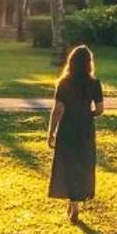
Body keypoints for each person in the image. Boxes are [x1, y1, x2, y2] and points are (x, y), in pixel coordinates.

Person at [48, 44, 103, 221]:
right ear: (89, 63)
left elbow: (57, 109)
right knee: (82, 163)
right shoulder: (94, 83)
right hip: (85, 128)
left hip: (67, 127)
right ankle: (77, 200)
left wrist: (51, 132)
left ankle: (72, 204)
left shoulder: (64, 83)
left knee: (68, 163)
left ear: (70, 62)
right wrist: (89, 114)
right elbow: (100, 109)